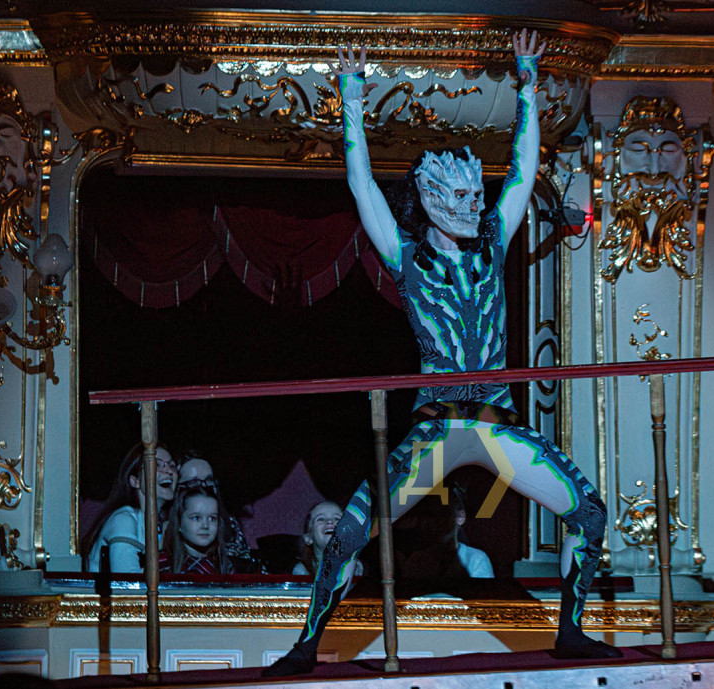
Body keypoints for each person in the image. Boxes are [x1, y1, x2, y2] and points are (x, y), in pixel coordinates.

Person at [264, 29, 619, 677]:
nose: (474, 206)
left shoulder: (492, 242)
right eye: (460, 197)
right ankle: (306, 645)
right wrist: (351, 98)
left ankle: (571, 630)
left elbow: (522, 171)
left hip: (496, 423)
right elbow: (363, 186)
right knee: (351, 530)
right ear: (429, 200)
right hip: (436, 428)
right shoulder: (406, 257)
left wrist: (528, 83)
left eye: (476, 196)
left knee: (589, 512)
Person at [82, 444, 176, 573]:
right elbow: (127, 580)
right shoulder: (124, 520)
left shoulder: (164, 523)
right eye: (157, 465)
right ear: (135, 481)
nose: (169, 471)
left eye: (172, 465)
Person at [176, 451, 258, 569]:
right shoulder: (163, 529)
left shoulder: (230, 525)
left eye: (209, 481)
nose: (204, 487)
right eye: (194, 483)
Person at [160, 484, 233, 574]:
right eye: (196, 518)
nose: (205, 525)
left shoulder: (225, 565)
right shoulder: (162, 564)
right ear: (179, 523)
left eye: (212, 518)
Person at [292, 500, 364, 577]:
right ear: (308, 538)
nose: (329, 521)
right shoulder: (302, 571)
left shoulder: (356, 568)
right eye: (320, 519)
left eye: (337, 519)